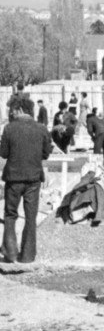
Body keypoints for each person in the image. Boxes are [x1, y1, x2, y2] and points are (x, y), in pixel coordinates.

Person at [2, 94, 53, 264]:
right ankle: (28, 255)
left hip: (13, 178)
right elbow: (46, 153)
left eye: (12, 111)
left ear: (20, 109)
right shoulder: (42, 128)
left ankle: (10, 254)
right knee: (31, 217)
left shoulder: (9, 128)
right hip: (33, 179)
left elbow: (3, 153)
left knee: (10, 215)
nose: (11, 114)